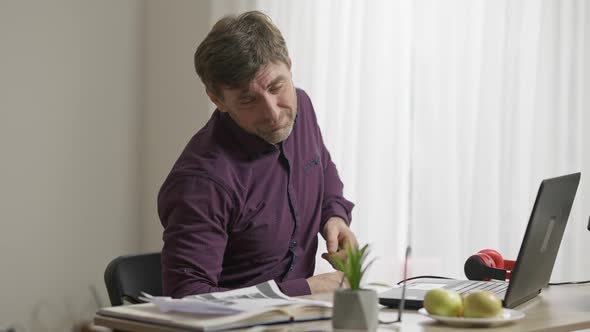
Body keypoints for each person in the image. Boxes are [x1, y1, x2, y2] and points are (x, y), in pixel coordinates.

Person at [158, 10, 357, 298]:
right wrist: (307, 289)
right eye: (248, 99)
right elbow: (190, 300)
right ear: (218, 100)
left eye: (277, 87)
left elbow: (323, 170)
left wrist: (334, 217)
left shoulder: (300, 108)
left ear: (289, 66)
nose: (273, 113)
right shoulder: (202, 182)